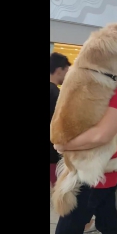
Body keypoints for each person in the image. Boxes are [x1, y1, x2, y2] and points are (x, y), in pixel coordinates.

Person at [54, 82, 117, 234]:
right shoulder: (115, 85)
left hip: (93, 174)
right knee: (108, 224)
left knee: (67, 229)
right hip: (100, 171)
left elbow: (101, 136)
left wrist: (64, 146)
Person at [50, 52, 71, 187]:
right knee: (57, 188)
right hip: (52, 151)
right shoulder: (55, 93)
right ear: (59, 70)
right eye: (66, 71)